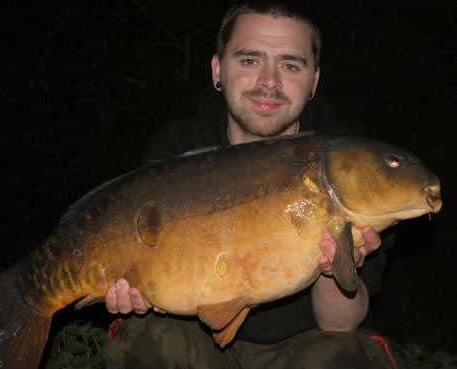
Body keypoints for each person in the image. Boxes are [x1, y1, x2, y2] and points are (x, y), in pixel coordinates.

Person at [102, 2, 404, 368]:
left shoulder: (353, 168)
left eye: (290, 65)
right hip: (198, 346)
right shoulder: (178, 150)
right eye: (250, 60)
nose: (270, 81)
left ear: (314, 82)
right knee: (147, 339)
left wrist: (335, 265)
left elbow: (338, 323)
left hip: (305, 349)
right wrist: (128, 286)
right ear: (217, 70)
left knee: (347, 358)